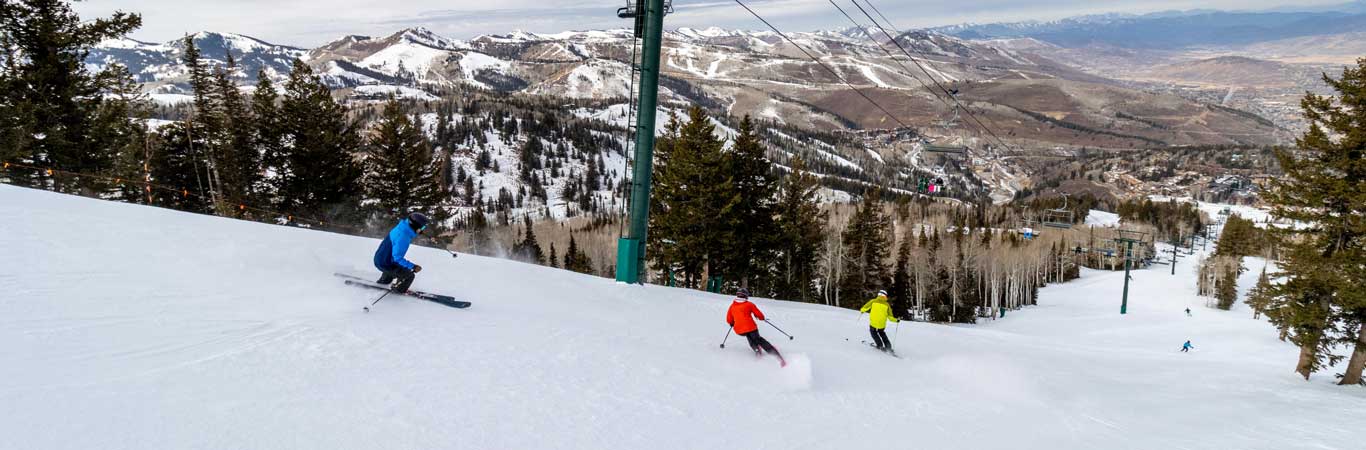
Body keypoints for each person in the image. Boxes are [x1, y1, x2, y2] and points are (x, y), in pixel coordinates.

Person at [726, 288, 786, 367]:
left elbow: (729, 319)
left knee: (749, 336)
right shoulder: (749, 304)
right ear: (746, 296)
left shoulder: (732, 306)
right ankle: (775, 354)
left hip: (739, 330)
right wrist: (761, 318)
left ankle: (757, 350)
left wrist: (731, 323)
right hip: (751, 327)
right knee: (759, 339)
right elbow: (759, 315)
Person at [373, 212, 429, 293]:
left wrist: (418, 230)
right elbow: (397, 258)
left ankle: (384, 281)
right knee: (409, 276)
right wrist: (413, 266)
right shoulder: (404, 236)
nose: (423, 229)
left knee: (394, 267)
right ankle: (398, 291)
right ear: (415, 226)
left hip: (381, 259)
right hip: (386, 262)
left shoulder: (402, 228)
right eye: (423, 227)